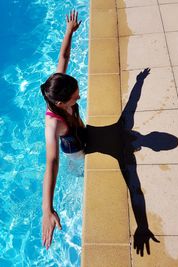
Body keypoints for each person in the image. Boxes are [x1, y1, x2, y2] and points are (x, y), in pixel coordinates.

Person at [41, 10, 85, 250]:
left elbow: (63, 56)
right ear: (60, 104)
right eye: (75, 95)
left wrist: (69, 31)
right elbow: (51, 162)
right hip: (74, 151)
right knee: (82, 171)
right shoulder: (53, 123)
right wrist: (47, 209)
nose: (79, 95)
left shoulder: (59, 85)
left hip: (81, 131)